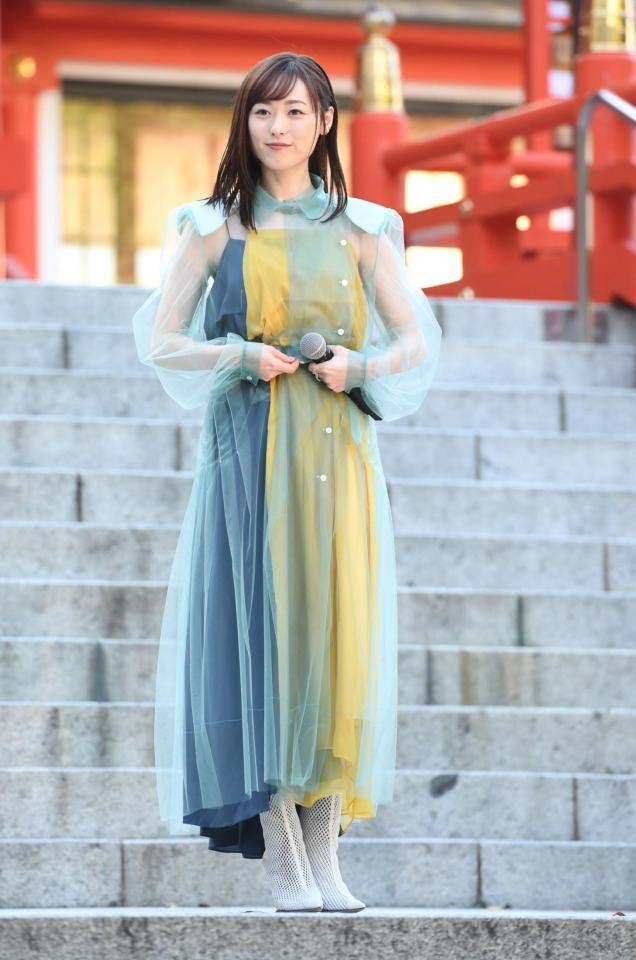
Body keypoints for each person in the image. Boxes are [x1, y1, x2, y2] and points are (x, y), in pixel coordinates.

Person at [132, 50, 442, 914]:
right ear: (246, 120)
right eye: (263, 112)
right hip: (249, 455)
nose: (278, 128)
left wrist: (360, 367)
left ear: (325, 122)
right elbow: (161, 340)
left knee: (335, 643)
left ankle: (327, 859)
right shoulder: (213, 227)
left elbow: (416, 339)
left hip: (338, 456)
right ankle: (284, 862)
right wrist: (238, 354)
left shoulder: (364, 228)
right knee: (261, 640)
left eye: (296, 111)